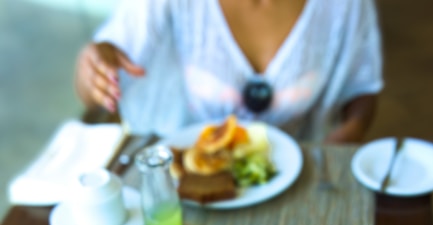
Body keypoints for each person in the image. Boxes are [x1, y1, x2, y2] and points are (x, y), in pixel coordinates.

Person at [74, 0, 383, 142]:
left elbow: (363, 85)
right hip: (190, 183)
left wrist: (352, 131)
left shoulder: (346, 6)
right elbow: (92, 91)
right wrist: (93, 71)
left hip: (298, 183)